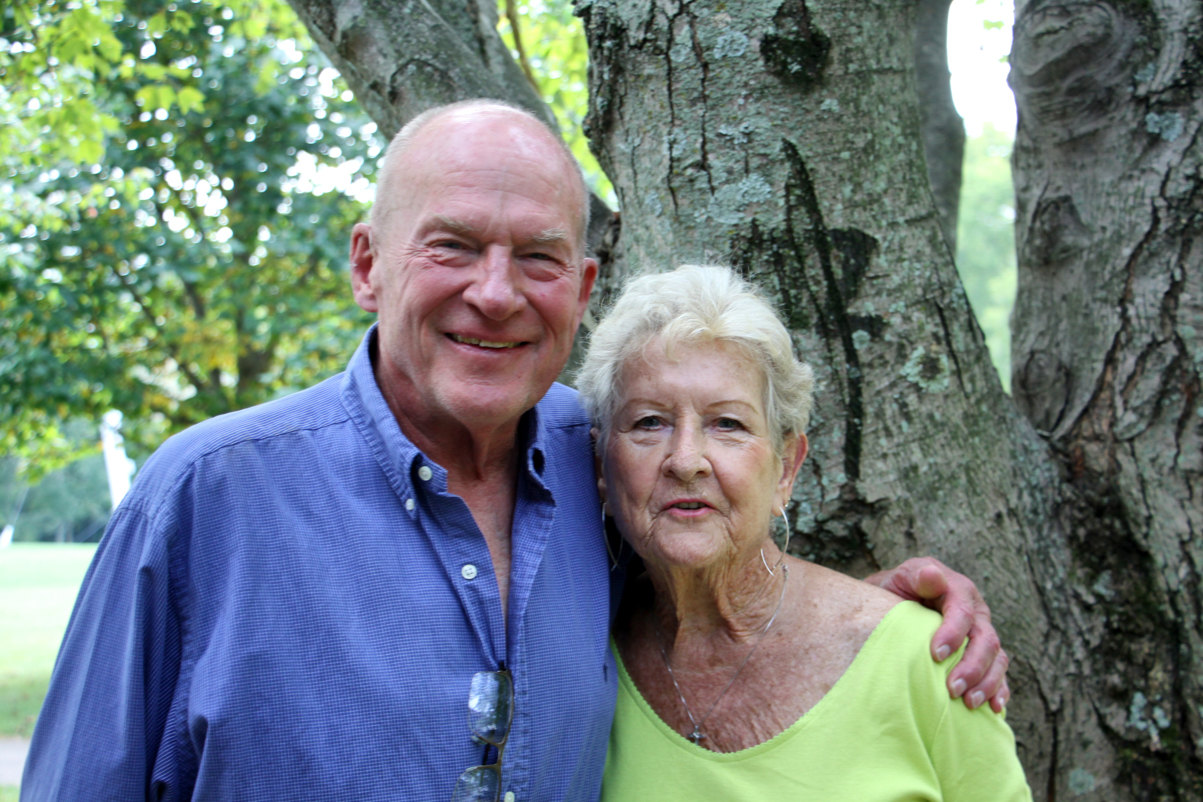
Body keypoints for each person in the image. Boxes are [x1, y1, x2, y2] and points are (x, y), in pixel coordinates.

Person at [22, 102, 1007, 802]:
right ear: (367, 264)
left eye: (537, 257)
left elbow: (715, 556)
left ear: (580, 289)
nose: (495, 294)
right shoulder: (204, 498)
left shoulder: (603, 459)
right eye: (452, 246)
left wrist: (878, 621)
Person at [578, 264, 1031, 799]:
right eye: (649, 422)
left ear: (786, 468)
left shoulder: (923, 658)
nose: (686, 459)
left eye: (728, 424)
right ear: (603, 466)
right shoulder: (581, 659)